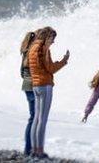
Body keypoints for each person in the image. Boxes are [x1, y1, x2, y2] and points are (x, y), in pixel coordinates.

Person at [28, 27, 69, 158]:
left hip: (35, 85)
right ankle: (39, 150)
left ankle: (34, 150)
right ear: (46, 37)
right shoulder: (44, 49)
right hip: (45, 86)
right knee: (43, 120)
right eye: (52, 38)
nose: (53, 42)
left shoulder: (32, 48)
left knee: (36, 119)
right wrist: (64, 61)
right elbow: (50, 68)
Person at [19, 30, 37, 155]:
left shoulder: (25, 53)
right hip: (34, 86)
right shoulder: (33, 53)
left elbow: (21, 73)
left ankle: (29, 148)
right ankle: (29, 148)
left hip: (26, 86)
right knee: (34, 118)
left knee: (33, 117)